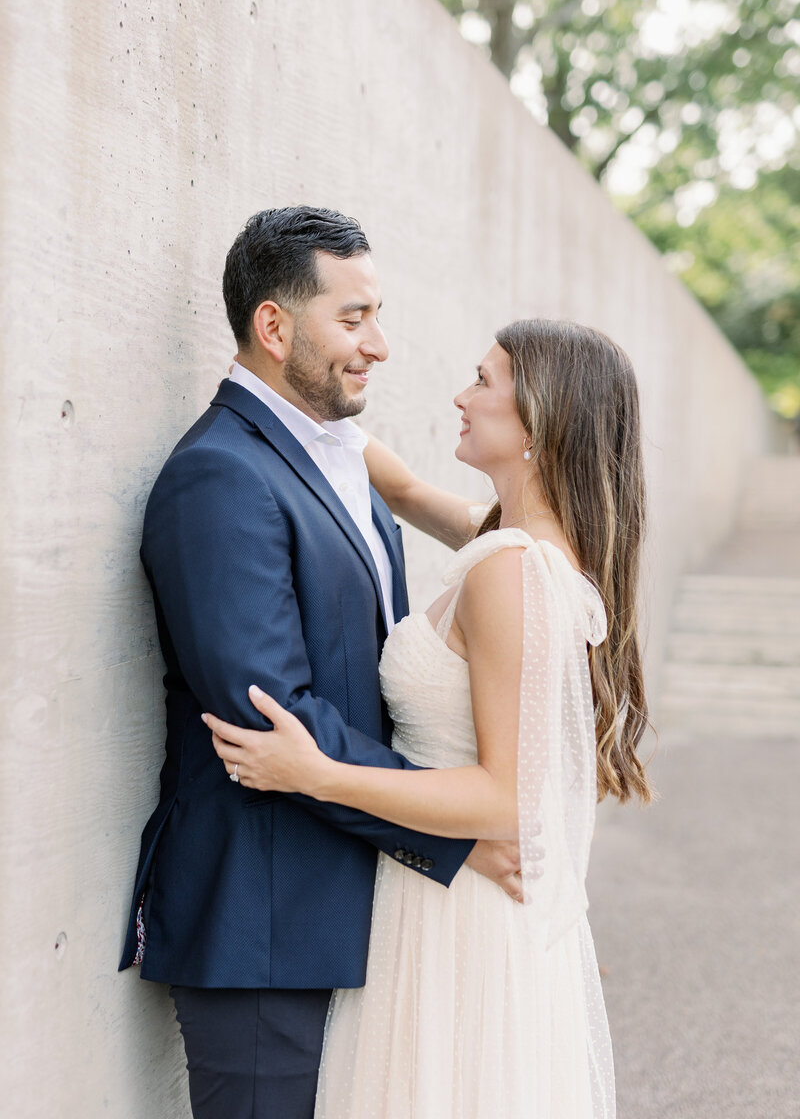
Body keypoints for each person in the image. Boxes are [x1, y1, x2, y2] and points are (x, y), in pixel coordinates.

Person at [118, 206, 521, 1119]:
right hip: (264, 913)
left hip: (343, 894)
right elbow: (267, 715)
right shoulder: (220, 476)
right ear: (273, 326)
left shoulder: (330, 448)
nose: (379, 344)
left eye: (376, 315)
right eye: (353, 318)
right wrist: (452, 824)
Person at [203, 318, 654, 1118]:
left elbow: (503, 799)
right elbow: (403, 489)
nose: (461, 395)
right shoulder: (510, 541)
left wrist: (318, 772)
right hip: (449, 896)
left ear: (539, 423)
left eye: (484, 382)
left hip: (458, 918)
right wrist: (284, 380)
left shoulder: (511, 574)